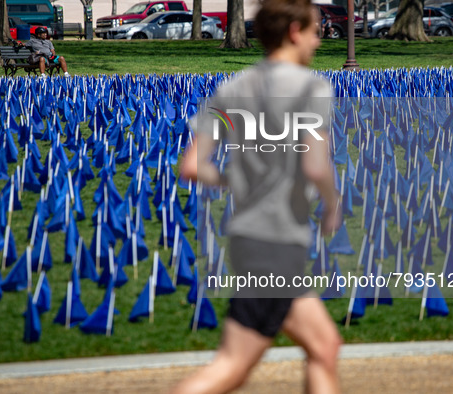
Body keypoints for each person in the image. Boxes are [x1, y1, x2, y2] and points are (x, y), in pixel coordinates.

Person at [173, 0, 342, 393]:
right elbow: (316, 166)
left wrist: (239, 178)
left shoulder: (234, 87)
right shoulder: (310, 88)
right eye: (316, 31)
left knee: (325, 345)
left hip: (252, 238)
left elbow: (192, 166)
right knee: (232, 367)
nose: (318, 41)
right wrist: (332, 205)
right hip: (276, 240)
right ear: (295, 32)